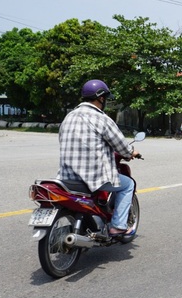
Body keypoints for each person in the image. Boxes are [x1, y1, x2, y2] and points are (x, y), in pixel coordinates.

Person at [57, 79, 140, 236]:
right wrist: (131, 152)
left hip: (66, 177)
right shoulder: (101, 118)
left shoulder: (69, 117)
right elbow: (121, 145)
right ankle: (118, 225)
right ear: (101, 98)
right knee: (128, 184)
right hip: (94, 177)